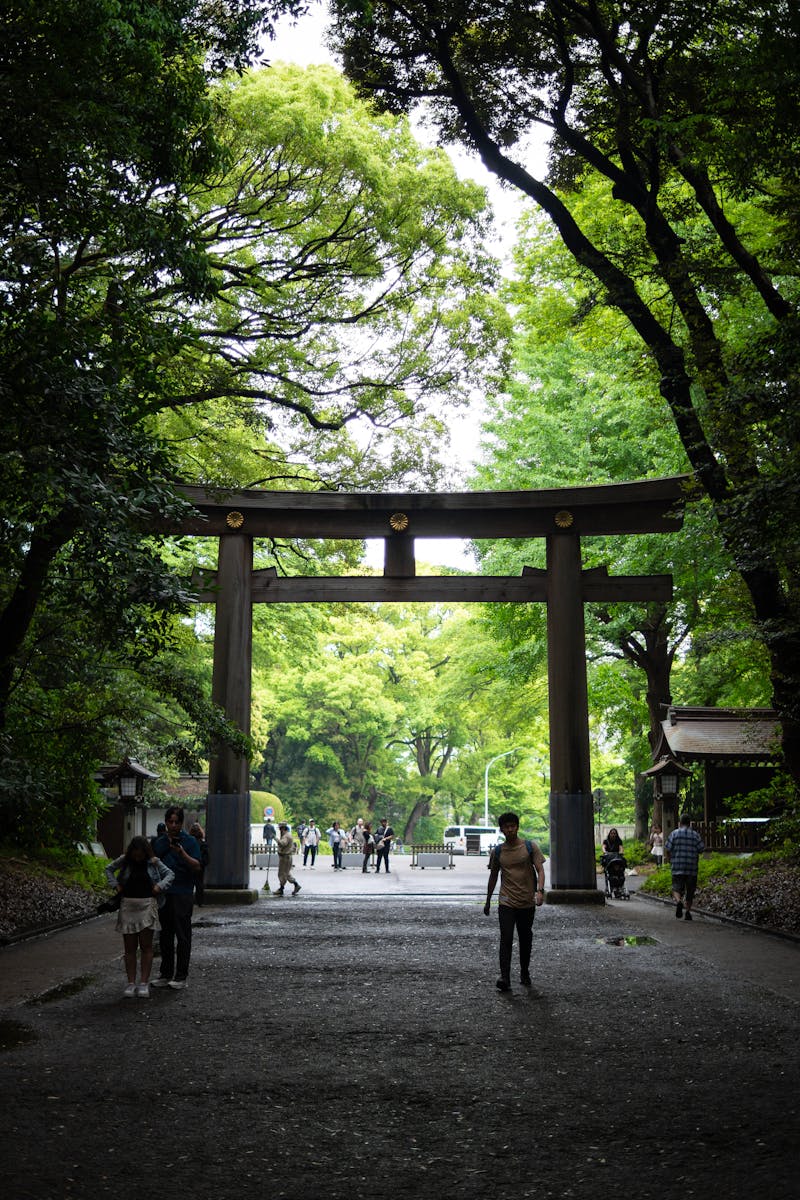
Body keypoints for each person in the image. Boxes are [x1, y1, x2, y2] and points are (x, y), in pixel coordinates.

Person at [484, 811, 546, 992]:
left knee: (525, 937)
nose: (510, 830)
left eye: (513, 826)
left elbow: (540, 870)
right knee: (506, 937)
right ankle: (505, 977)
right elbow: (493, 876)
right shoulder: (498, 851)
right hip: (506, 901)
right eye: (506, 827)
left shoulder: (529, 847)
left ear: (517, 827)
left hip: (526, 901)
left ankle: (524, 972)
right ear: (502, 829)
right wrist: (488, 900)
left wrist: (540, 891)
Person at [105, 835, 174, 998]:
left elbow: (170, 874)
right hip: (128, 905)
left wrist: (159, 886)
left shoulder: (153, 861)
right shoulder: (125, 860)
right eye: (135, 854)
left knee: (146, 946)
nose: (138, 857)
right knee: (129, 948)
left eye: (140, 854)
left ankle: (143, 983)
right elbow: (108, 869)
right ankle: (130, 983)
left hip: (146, 905)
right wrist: (116, 886)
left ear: (145, 852)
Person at [151, 806, 202, 990]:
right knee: (165, 934)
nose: (173, 825)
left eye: (176, 822)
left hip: (183, 892)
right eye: (170, 822)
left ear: (181, 823)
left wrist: (182, 853)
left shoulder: (190, 842)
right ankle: (165, 973)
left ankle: (181, 975)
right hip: (164, 893)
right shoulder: (159, 842)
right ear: (166, 822)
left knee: (182, 935)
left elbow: (197, 866)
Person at [666, 812, 705, 921]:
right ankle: (688, 911)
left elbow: (668, 848)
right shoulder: (695, 835)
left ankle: (679, 902)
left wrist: (670, 860)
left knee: (676, 888)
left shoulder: (674, 834)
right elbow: (701, 849)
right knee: (690, 890)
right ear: (690, 823)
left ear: (680, 823)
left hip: (677, 866)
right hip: (691, 868)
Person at [275, 822, 301, 896]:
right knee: (286, 873)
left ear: (283, 828)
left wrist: (276, 839)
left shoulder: (286, 836)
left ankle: (282, 888)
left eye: (280, 828)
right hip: (287, 857)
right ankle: (292, 886)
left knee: (282, 873)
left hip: (285, 857)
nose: (279, 830)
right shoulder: (288, 835)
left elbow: (283, 843)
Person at [189, 822, 209, 906]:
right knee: (199, 884)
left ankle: (189, 900)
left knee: (190, 883)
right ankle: (200, 902)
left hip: (190, 865)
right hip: (200, 867)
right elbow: (206, 857)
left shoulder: (189, 842)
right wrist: (202, 864)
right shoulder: (203, 843)